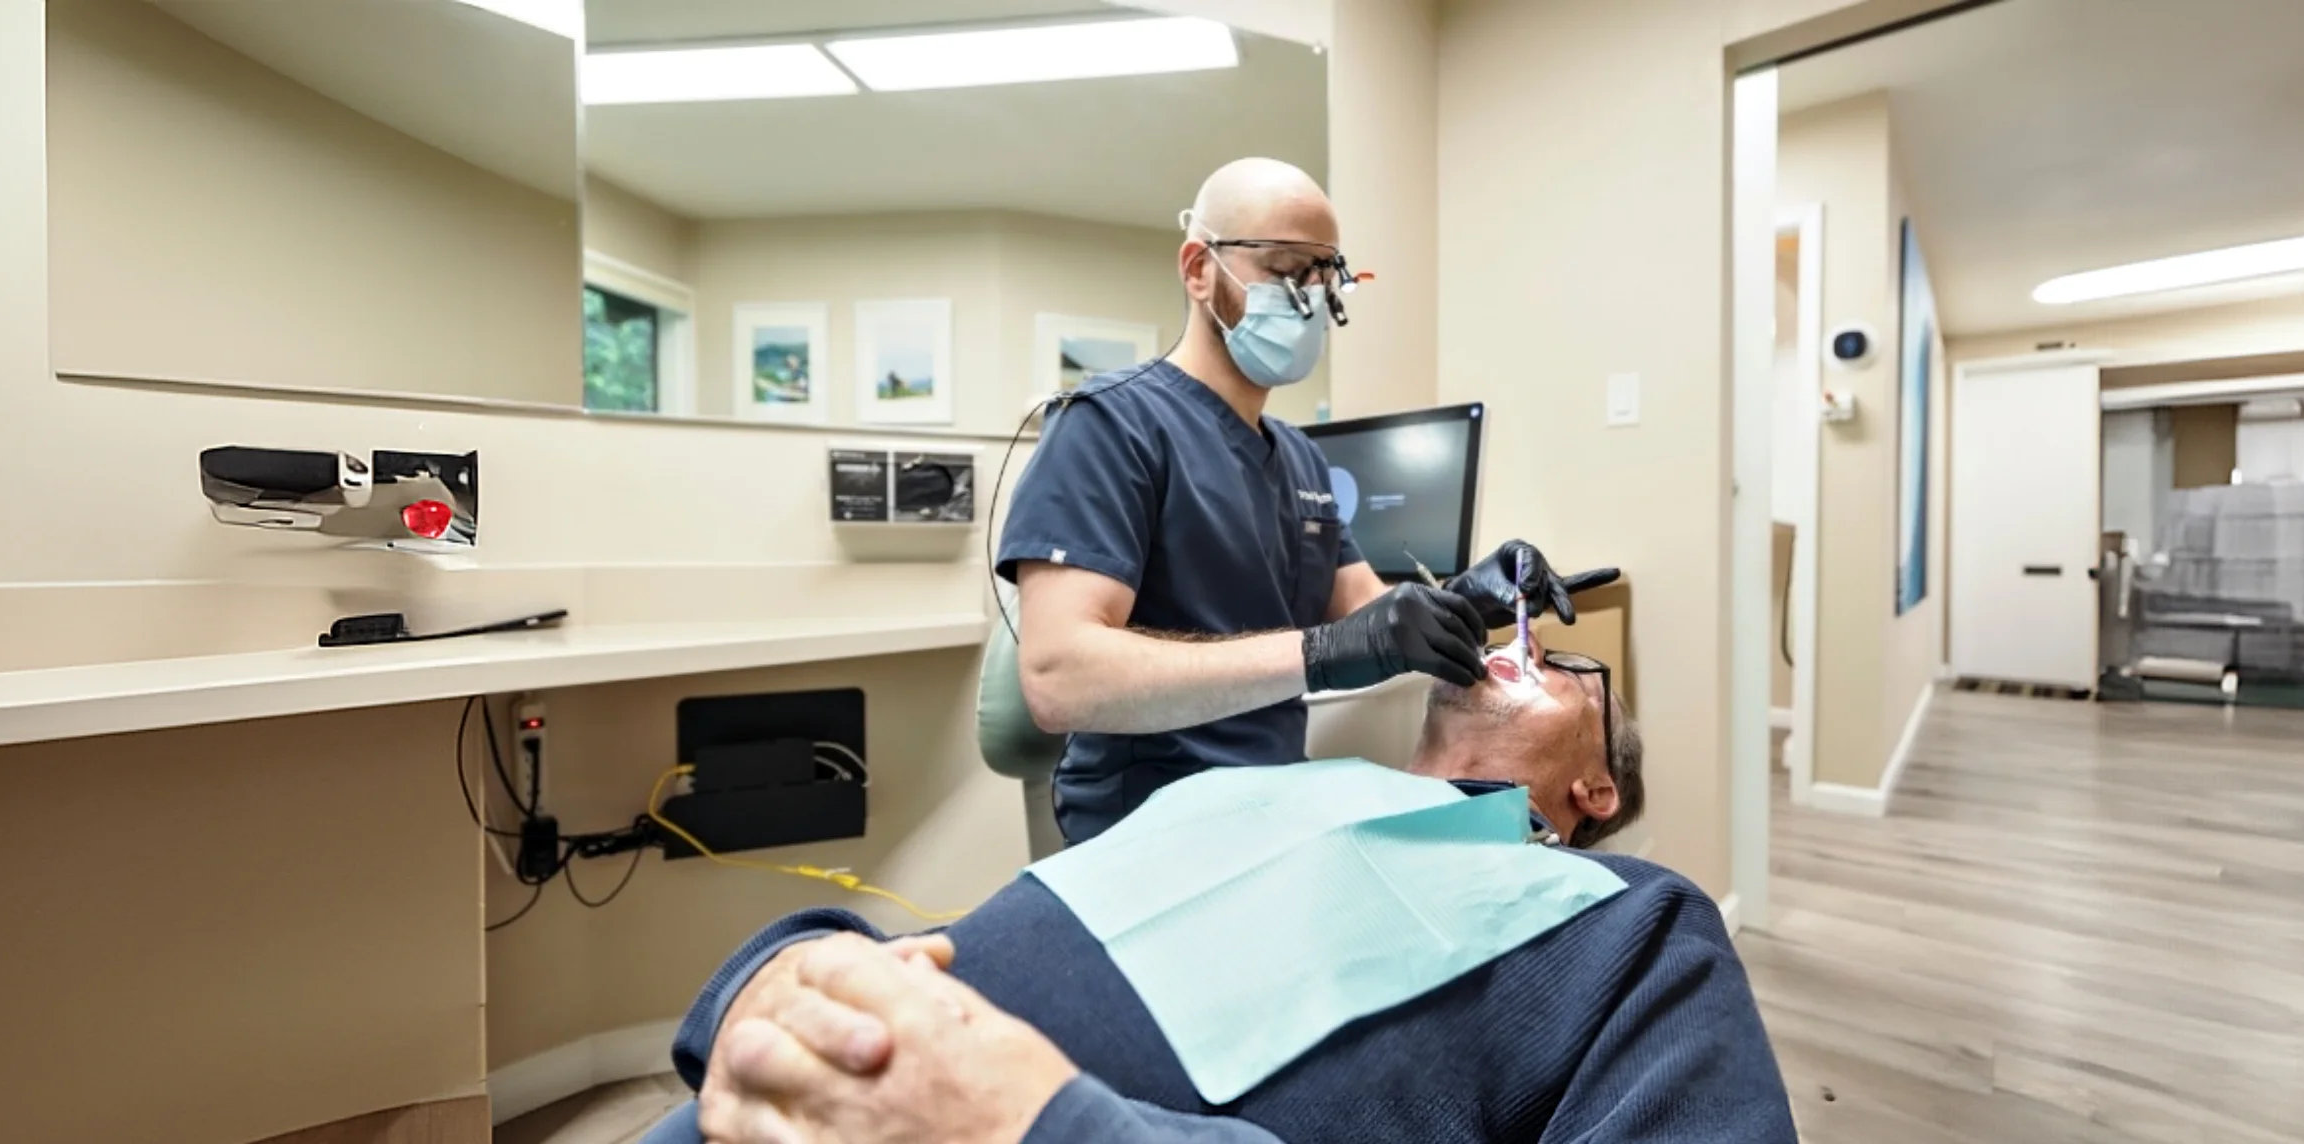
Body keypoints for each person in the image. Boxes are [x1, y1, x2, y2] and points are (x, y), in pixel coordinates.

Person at [638, 636, 1798, 1144]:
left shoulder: (1632, 928)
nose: (1517, 648)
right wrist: (773, 972)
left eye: (1558, 666)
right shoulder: (1263, 789)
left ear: (1593, 788)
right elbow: (984, 941)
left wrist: (1039, 1130)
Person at [1000, 156, 1614, 842]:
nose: (1311, 296)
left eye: (1325, 275)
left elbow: (1361, 610)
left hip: (1273, 803)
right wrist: (1320, 653)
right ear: (1199, 268)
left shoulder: (1298, 455)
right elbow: (1058, 678)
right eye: (1287, 269)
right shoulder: (1108, 425)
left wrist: (1469, 599)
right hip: (1148, 823)